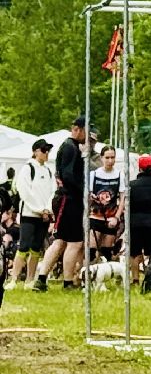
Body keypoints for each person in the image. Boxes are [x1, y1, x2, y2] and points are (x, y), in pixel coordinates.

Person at [34, 117, 88, 291]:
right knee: (74, 242)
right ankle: (67, 282)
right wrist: (84, 191)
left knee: (61, 241)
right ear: (77, 129)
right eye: (87, 130)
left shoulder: (69, 147)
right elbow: (69, 175)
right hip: (69, 199)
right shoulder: (71, 148)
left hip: (66, 198)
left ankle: (41, 279)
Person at [8, 140, 55, 289]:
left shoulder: (48, 171)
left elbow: (52, 192)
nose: (46, 153)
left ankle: (29, 280)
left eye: (48, 150)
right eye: (43, 150)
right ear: (35, 151)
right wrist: (39, 209)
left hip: (44, 216)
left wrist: (47, 209)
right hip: (29, 214)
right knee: (24, 246)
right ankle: (14, 279)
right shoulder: (27, 169)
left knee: (36, 248)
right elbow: (25, 192)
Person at [127, 154, 151, 284]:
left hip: (135, 223)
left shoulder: (131, 186)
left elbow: (128, 206)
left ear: (139, 168)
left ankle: (135, 279)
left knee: (134, 252)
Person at [87, 145, 124, 260]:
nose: (110, 161)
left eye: (112, 158)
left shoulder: (119, 175)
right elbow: (88, 195)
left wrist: (117, 217)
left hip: (111, 218)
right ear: (102, 158)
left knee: (107, 252)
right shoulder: (94, 175)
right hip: (95, 216)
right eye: (107, 157)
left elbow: (122, 198)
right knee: (91, 251)